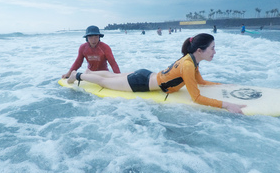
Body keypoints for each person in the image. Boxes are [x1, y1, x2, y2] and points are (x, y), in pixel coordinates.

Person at [67, 33, 246, 114]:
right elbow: (196, 97)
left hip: (146, 75)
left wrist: (223, 86)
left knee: (112, 77)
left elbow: (202, 82)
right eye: (213, 48)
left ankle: (89, 71)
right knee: (104, 82)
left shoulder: (191, 60)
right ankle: (79, 75)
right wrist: (226, 105)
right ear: (200, 50)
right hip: (141, 83)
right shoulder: (189, 65)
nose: (215, 52)